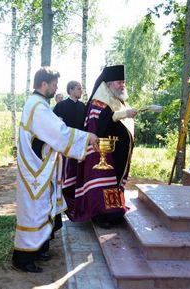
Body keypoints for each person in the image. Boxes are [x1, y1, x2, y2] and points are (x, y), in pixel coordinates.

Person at [12, 67, 99, 273]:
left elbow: (48, 132)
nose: (56, 88)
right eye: (54, 84)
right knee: (34, 211)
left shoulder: (38, 104)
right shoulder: (38, 106)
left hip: (38, 167)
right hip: (35, 170)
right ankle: (22, 258)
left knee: (40, 209)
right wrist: (88, 137)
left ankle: (36, 251)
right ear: (44, 84)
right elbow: (59, 133)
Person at [62, 65, 137, 229]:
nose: (122, 85)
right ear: (108, 84)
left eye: (123, 82)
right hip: (101, 153)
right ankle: (100, 215)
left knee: (113, 183)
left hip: (117, 153)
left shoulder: (118, 101)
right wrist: (123, 114)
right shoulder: (99, 101)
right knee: (102, 183)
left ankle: (114, 212)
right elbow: (100, 124)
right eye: (119, 82)